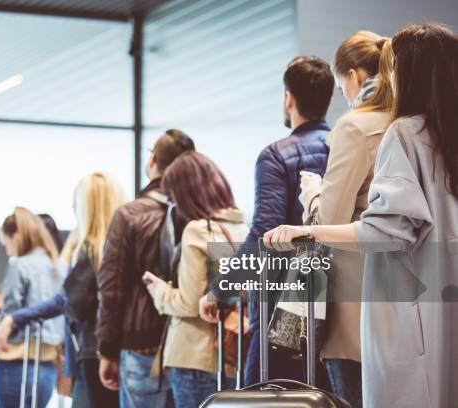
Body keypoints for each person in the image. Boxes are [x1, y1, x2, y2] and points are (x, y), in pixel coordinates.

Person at [264, 22, 458, 408]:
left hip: (404, 308)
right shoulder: (445, 134)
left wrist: (307, 229)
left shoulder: (403, 134)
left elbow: (387, 230)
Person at [199, 56, 335, 386]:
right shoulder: (343, 148)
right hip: (338, 304)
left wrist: (219, 290)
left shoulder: (277, 155)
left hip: (284, 308)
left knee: (266, 395)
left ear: (289, 97)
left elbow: (265, 233)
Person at [297, 31, 394, 408]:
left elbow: (329, 220)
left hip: (353, 294)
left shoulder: (356, 126)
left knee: (351, 397)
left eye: (341, 86)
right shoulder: (413, 121)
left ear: (353, 75)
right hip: (404, 294)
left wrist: (312, 194)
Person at [0, 172, 125, 407]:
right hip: (99, 354)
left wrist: (13, 319)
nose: (74, 209)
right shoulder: (105, 251)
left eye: (77, 203)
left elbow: (67, 301)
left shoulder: (93, 252)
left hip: (94, 354)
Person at [95, 130, 195, 407]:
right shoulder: (200, 214)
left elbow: (111, 289)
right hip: (192, 345)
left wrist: (107, 350)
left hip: (142, 344)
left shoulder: (129, 215)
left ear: (152, 159)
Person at [143, 151, 249, 407]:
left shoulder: (198, 229)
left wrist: (159, 291)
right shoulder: (241, 228)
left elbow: (190, 303)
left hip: (194, 354)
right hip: (231, 354)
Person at [0, 208, 64, 408]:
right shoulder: (58, 265)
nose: (7, 250)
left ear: (17, 236)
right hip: (47, 365)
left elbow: (11, 316)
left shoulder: (19, 265)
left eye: (7, 244)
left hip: (16, 363)